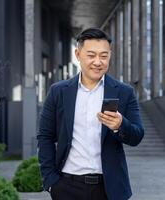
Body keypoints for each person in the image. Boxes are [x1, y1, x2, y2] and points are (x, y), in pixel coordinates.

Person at [37, 27, 144, 200]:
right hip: (66, 187)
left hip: (109, 189)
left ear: (110, 55)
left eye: (103, 56)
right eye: (91, 55)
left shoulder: (124, 92)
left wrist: (120, 125)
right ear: (78, 55)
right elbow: (45, 136)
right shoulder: (58, 91)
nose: (98, 62)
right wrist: (50, 181)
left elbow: (137, 135)